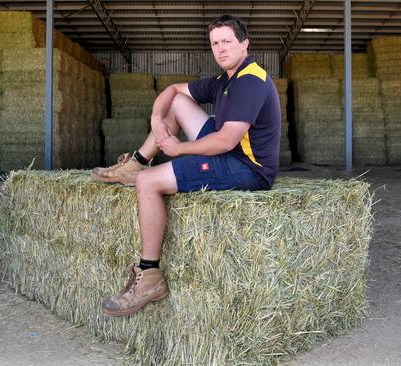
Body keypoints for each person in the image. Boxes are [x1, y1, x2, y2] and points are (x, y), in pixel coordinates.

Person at [91, 15, 281, 317]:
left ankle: (150, 275)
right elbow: (172, 91)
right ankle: (137, 162)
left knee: (148, 183)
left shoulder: (250, 80)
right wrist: (156, 117)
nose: (220, 49)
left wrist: (180, 148)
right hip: (229, 151)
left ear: (245, 43)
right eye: (215, 43)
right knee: (178, 103)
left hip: (246, 168)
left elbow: (226, 141)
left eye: (227, 42)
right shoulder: (224, 80)